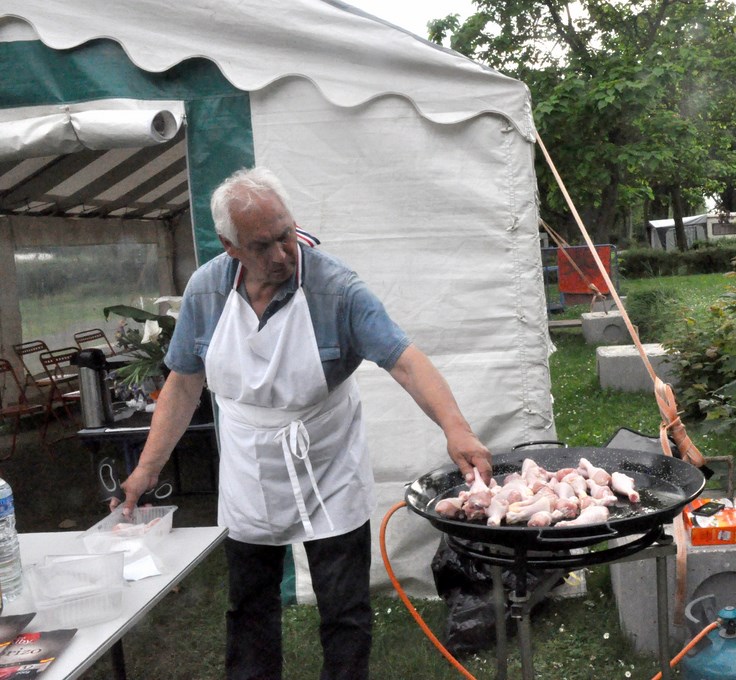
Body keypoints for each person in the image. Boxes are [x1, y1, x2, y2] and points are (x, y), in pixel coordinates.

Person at [114, 166, 492, 680]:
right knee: (249, 604)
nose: (282, 255)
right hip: (249, 465)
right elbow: (183, 383)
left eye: (286, 236)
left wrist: (457, 429)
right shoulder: (207, 291)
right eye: (263, 246)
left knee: (343, 608)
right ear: (231, 247)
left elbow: (404, 359)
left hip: (326, 459)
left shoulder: (336, 289)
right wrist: (148, 468)